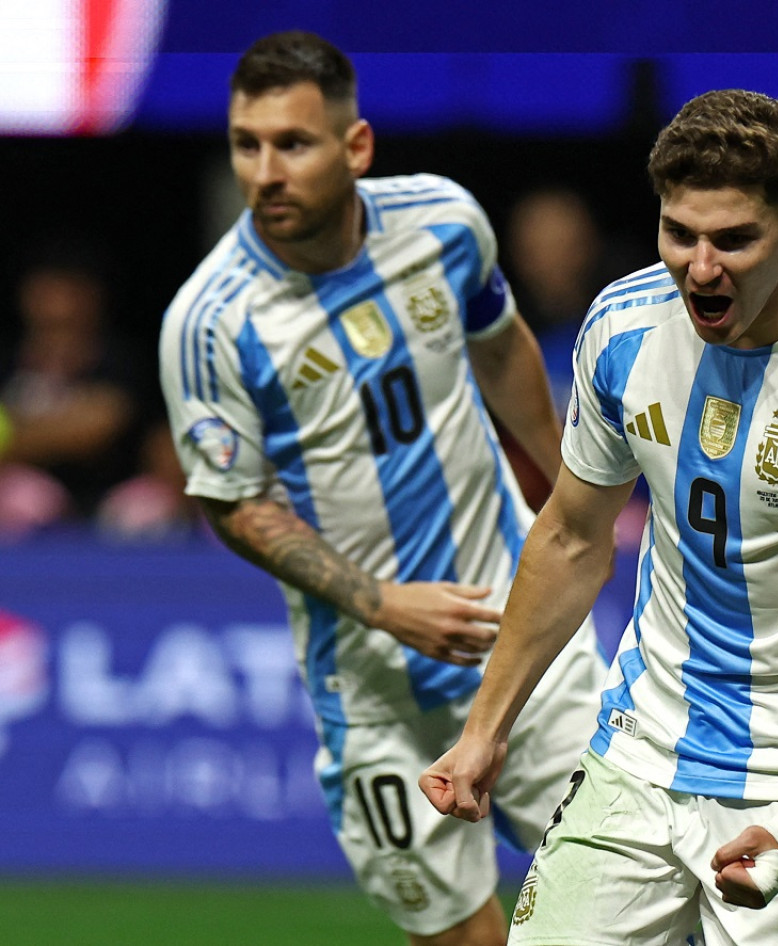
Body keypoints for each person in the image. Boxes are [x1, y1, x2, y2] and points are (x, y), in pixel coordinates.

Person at [422, 89, 778, 945]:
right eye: (681, 234)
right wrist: (486, 730)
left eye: (733, 240)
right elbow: (569, 536)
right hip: (645, 737)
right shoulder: (625, 329)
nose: (701, 267)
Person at [157, 31, 604, 946]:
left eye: (294, 143)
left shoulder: (442, 224)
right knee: (460, 938)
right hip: (372, 690)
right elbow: (232, 503)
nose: (266, 171)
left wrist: (571, 490)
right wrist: (382, 603)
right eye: (248, 144)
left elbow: (500, 343)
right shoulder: (209, 322)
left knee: (619, 910)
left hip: (526, 645)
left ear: (356, 147)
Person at [0, 242, 143, 534]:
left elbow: (96, 428)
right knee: (24, 498)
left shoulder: (118, 362)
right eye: (48, 291)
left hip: (109, 499)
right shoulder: (8, 362)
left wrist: (15, 436)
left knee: (145, 510)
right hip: (26, 504)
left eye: (71, 292)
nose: (59, 307)